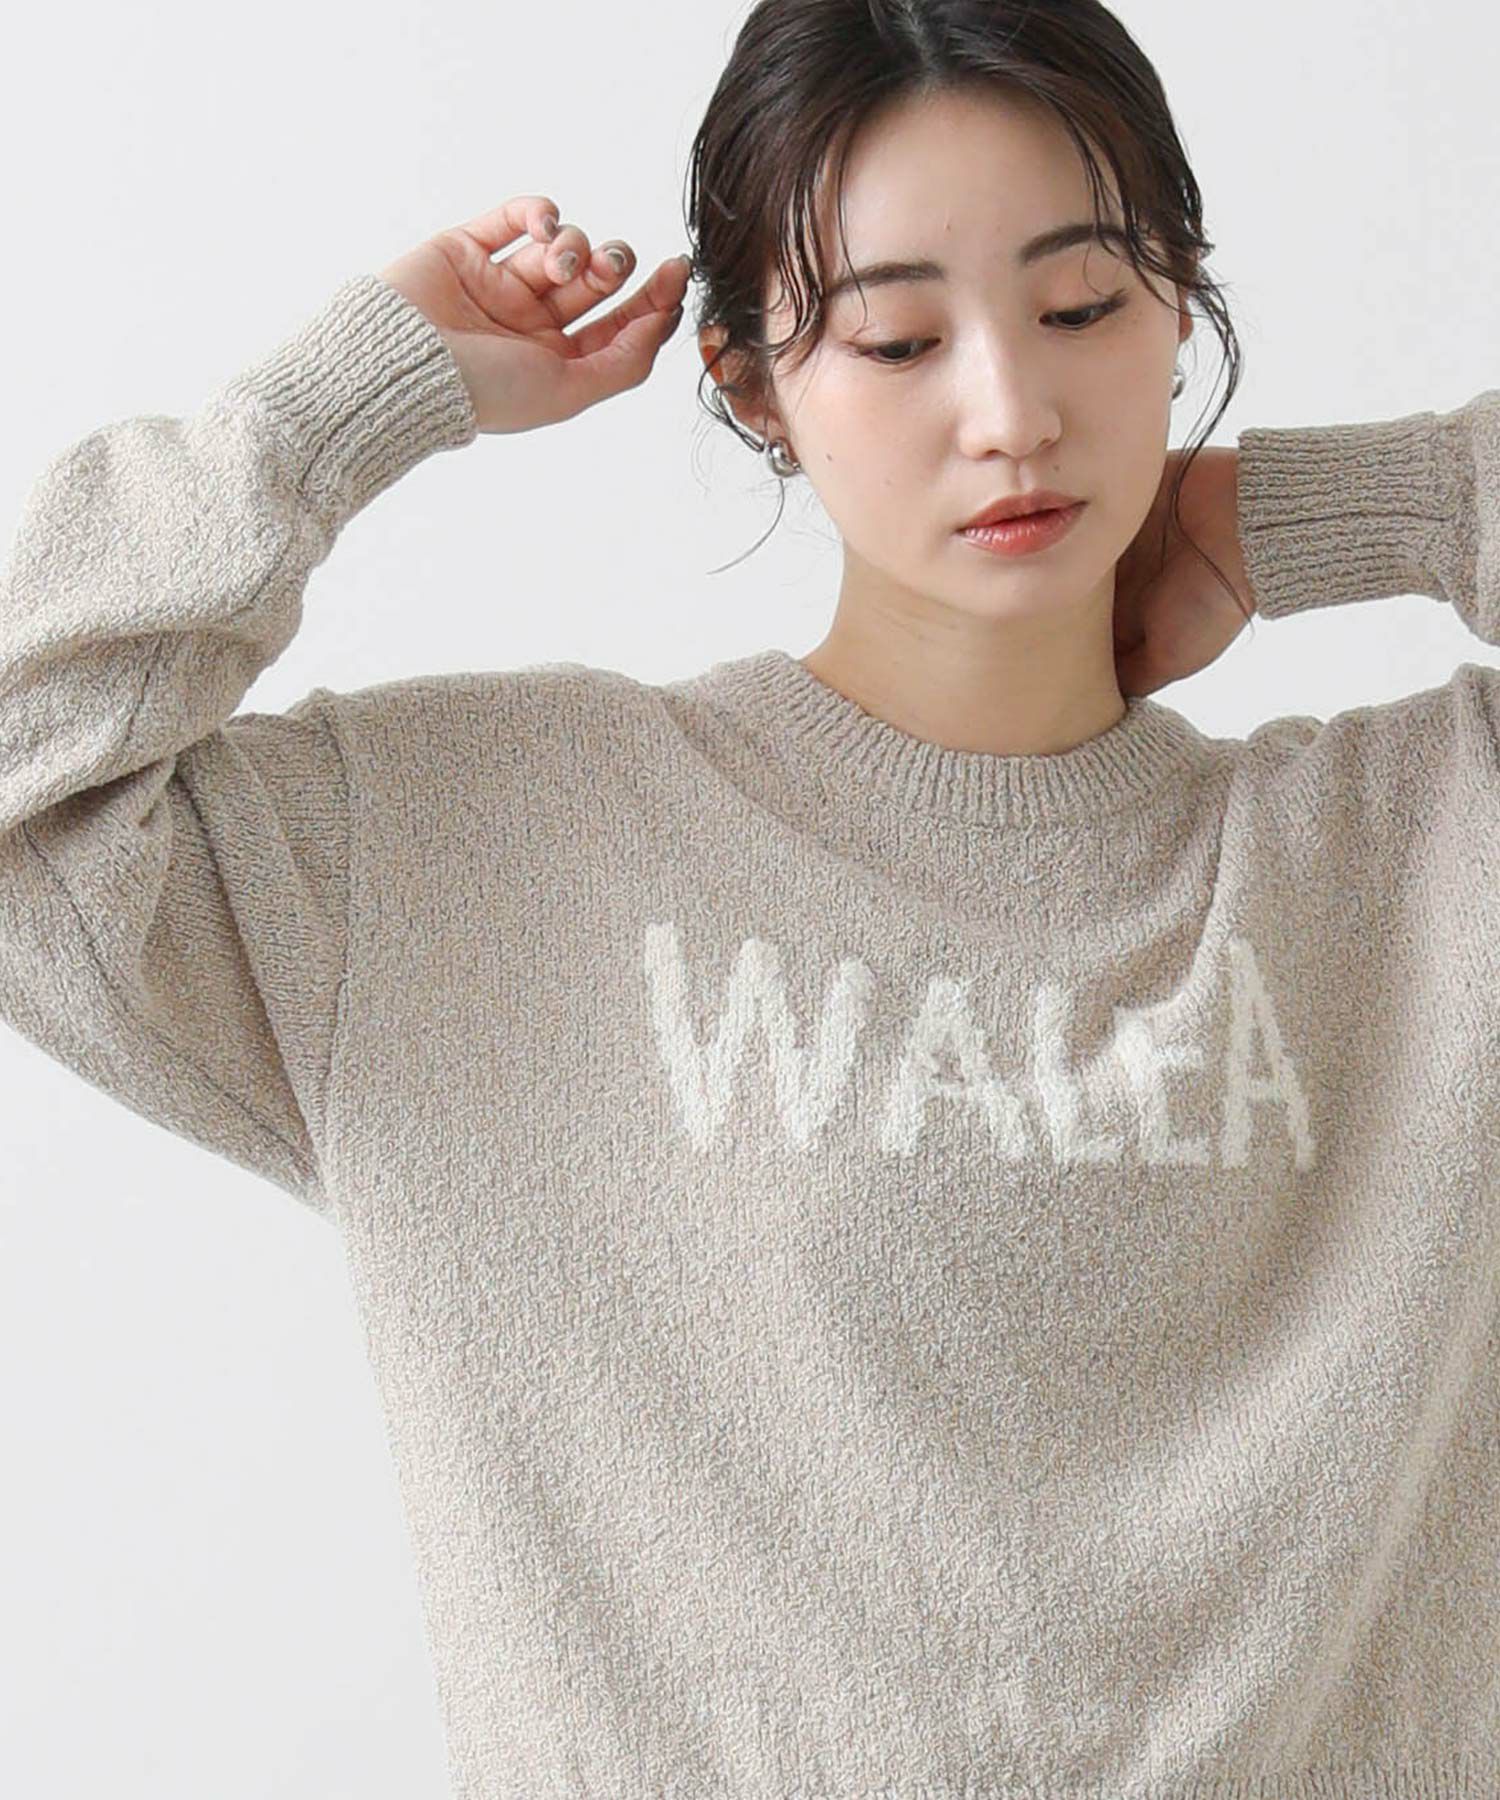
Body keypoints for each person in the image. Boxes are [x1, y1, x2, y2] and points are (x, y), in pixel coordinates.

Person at [2, 0, 1497, 1794]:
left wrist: (1313, 510)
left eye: (1085, 305)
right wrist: (338, 409)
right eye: (897, 338)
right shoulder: (478, 856)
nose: (1012, 413)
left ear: (1182, 306)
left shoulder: (1422, 849)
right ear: (750, 382)